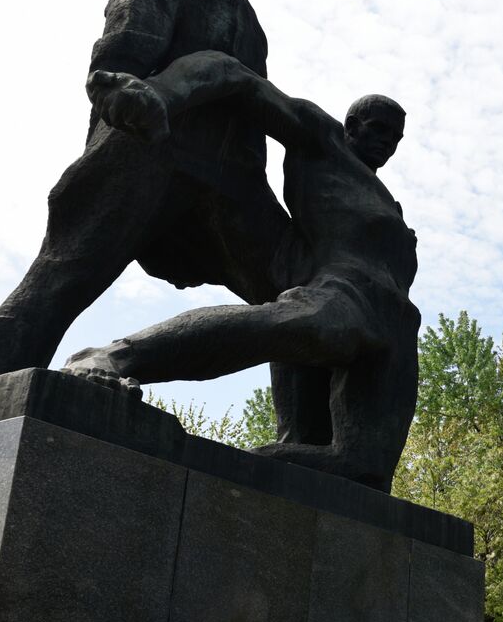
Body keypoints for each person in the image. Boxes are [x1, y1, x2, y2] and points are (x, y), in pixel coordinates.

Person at [0, 0, 291, 385]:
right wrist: (119, 76)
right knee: (69, 268)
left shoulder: (247, 13)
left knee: (291, 294)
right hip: (151, 135)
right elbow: (140, 3)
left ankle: (306, 444)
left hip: (232, 174)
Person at [60, 51, 419, 491]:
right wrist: (161, 93)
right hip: (343, 292)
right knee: (307, 327)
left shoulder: (388, 203)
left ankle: (241, 478)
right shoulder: (323, 142)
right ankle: (111, 357)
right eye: (379, 129)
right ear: (352, 126)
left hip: (397, 331)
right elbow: (235, 76)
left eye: (396, 138)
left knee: (364, 473)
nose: (388, 143)